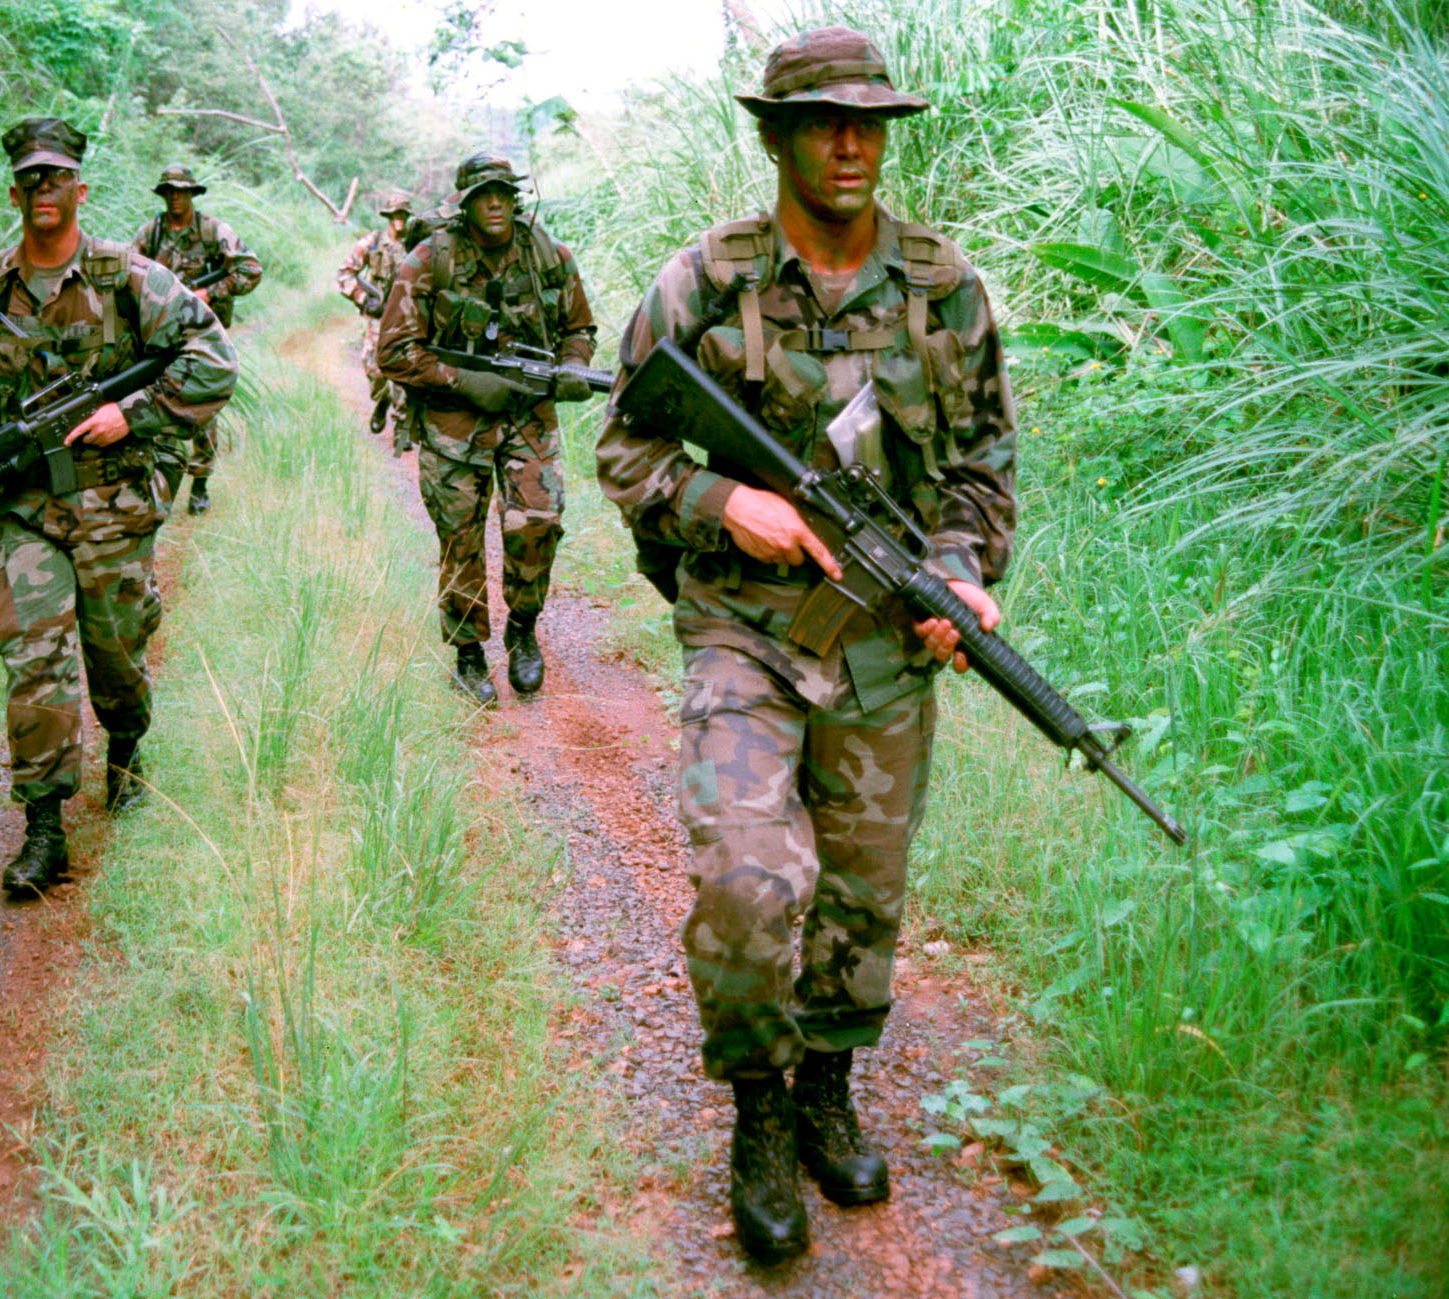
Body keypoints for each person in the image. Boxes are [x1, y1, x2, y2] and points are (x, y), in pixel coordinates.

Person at [596, 29, 1017, 1263]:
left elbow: (982, 476)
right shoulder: (700, 282)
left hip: (884, 641)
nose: (849, 143)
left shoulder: (947, 290)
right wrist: (726, 504)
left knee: (859, 892)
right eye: (822, 121)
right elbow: (623, 449)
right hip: (741, 631)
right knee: (742, 879)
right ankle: (758, 1114)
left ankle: (829, 1085)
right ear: (772, 135)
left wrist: (956, 573)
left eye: (868, 122)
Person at [0, 118, 238, 901]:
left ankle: (126, 751)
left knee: (117, 656)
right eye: (30, 180)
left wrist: (134, 414)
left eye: (55, 178)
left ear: (80, 189)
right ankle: (43, 829)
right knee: (34, 660)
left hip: (113, 501)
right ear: (14, 192)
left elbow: (212, 360)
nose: (43, 190)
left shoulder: (127, 277)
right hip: (28, 509)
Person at [378, 152, 597, 705]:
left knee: (537, 525)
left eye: (504, 191)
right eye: (483, 194)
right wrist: (463, 381)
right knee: (461, 540)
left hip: (528, 415)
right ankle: (469, 653)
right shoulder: (430, 260)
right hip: (454, 424)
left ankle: (522, 631)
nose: (495, 202)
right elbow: (394, 352)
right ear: (465, 202)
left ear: (516, 197)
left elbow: (579, 326)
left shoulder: (547, 253)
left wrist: (571, 367)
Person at [133, 164, 263, 514]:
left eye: (182, 191)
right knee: (154, 401)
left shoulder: (213, 230)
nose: (176, 197)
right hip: (159, 334)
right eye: (170, 191)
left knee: (201, 407)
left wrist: (209, 291)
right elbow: (130, 277)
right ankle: (155, 482)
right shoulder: (150, 234)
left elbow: (251, 270)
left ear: (192, 194)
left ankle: (200, 483)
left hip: (203, 335)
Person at [335, 188, 415, 450]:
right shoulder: (372, 242)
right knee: (375, 369)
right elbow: (345, 273)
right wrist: (362, 297)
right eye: (395, 214)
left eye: (403, 213)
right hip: (378, 316)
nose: (399, 219)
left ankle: (402, 426)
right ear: (388, 216)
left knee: (405, 371)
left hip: (407, 316)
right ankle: (383, 400)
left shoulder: (417, 245)